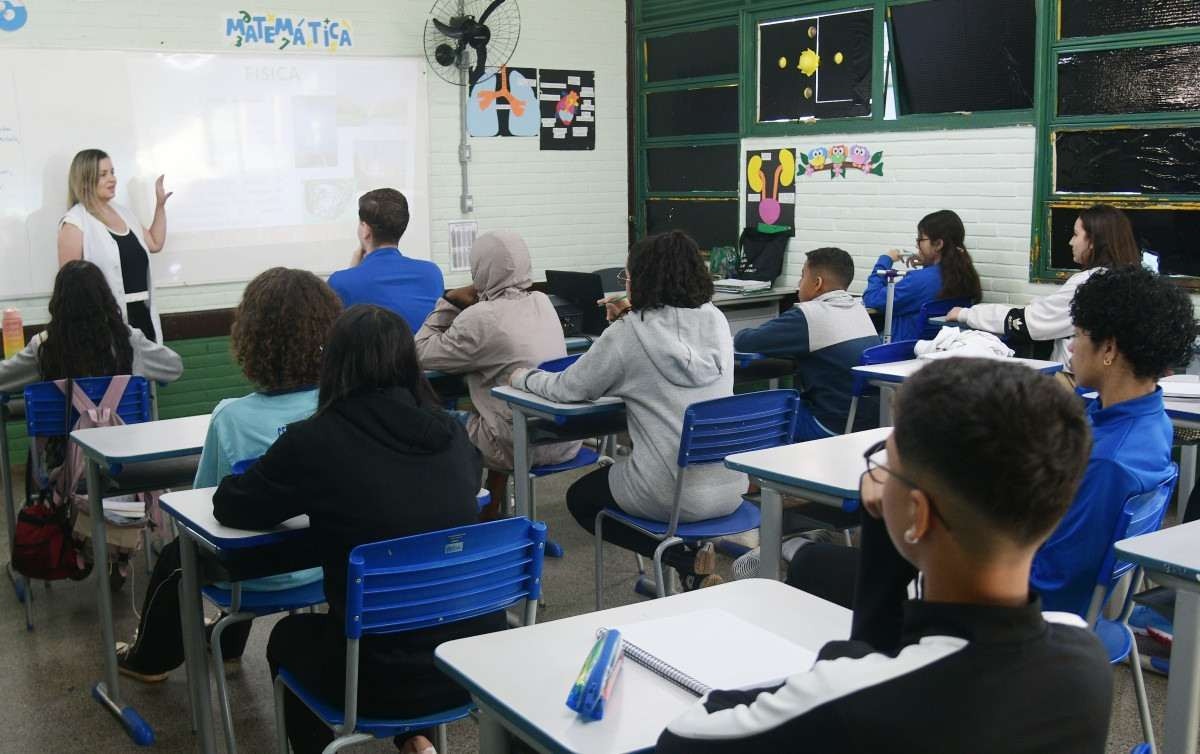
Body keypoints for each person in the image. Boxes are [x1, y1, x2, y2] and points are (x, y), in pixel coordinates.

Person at [657, 359, 1112, 753]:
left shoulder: (849, 697)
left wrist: (881, 540)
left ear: (918, 512)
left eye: (884, 463)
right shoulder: (1085, 657)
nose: (876, 478)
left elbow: (684, 735)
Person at [213, 304, 501, 754]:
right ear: (408, 362)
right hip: (471, 664)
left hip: (376, 681)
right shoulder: (451, 433)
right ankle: (416, 741)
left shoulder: (315, 440)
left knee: (287, 637)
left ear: (333, 363)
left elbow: (233, 505)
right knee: (403, 617)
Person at [115, 267, 343, 682]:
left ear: (252, 339)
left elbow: (203, 508)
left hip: (253, 578)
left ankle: (148, 659)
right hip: (329, 569)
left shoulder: (231, 418)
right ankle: (227, 643)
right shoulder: (339, 407)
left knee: (181, 555)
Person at [510, 231, 745, 588]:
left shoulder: (629, 334)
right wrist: (629, 321)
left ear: (645, 280)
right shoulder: (716, 321)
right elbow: (670, 334)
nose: (627, 284)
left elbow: (568, 388)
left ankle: (678, 557)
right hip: (729, 487)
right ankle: (691, 561)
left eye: (628, 277)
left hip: (666, 493)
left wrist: (523, 377)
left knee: (581, 498)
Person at [1033, 265, 1194, 615]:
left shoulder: (1108, 462)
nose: (1072, 348)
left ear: (1108, 348)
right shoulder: (1152, 420)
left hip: (1045, 617)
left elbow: (1054, 582)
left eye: (1077, 335)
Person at [415, 231, 580, 518]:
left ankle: (447, 519)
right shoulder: (542, 302)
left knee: (428, 424)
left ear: (480, 268)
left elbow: (420, 351)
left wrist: (450, 301)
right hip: (560, 439)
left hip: (515, 444)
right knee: (495, 408)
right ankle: (490, 513)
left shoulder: (481, 318)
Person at [949, 203, 1140, 370]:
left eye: (1076, 235)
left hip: (1078, 381)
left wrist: (967, 314)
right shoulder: (1133, 279)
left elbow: (1031, 322)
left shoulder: (1088, 283)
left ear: (1093, 242)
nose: (1070, 242)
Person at [733, 246, 880, 433]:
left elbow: (746, 342)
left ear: (817, 283)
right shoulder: (858, 309)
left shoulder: (809, 314)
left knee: (756, 412)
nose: (799, 283)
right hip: (867, 425)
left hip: (829, 426)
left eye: (802, 276)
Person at [0, 260, 181, 395]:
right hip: (125, 442)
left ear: (58, 302)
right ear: (104, 297)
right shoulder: (129, 340)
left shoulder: (43, 346)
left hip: (64, 445)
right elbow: (174, 367)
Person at [57, 149, 171, 342]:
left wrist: (160, 205)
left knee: (147, 371)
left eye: (112, 172)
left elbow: (154, 242)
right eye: (103, 175)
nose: (112, 179)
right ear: (85, 180)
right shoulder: (75, 222)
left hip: (143, 317)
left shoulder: (124, 214)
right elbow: (70, 287)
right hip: (104, 324)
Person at [327, 188, 443, 331]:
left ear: (365, 230)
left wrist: (353, 270)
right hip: (417, 354)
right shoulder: (431, 273)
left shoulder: (339, 282)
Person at [862, 209, 982, 342]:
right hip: (937, 347)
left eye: (920, 239)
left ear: (938, 244)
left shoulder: (917, 280)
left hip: (901, 349)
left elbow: (871, 299)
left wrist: (885, 260)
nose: (916, 244)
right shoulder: (965, 276)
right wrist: (928, 263)